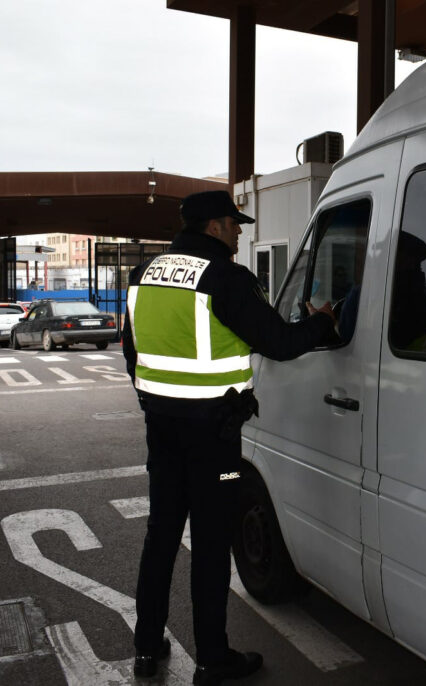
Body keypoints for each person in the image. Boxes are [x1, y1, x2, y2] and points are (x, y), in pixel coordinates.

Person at [123, 190, 335, 685]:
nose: (239, 232)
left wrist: (155, 405)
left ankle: (146, 647)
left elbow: (133, 354)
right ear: (214, 226)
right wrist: (323, 322)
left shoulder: (143, 276)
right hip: (213, 434)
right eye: (234, 224)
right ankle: (212, 659)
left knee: (161, 536)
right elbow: (280, 343)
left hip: (163, 429)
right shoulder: (226, 278)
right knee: (214, 544)